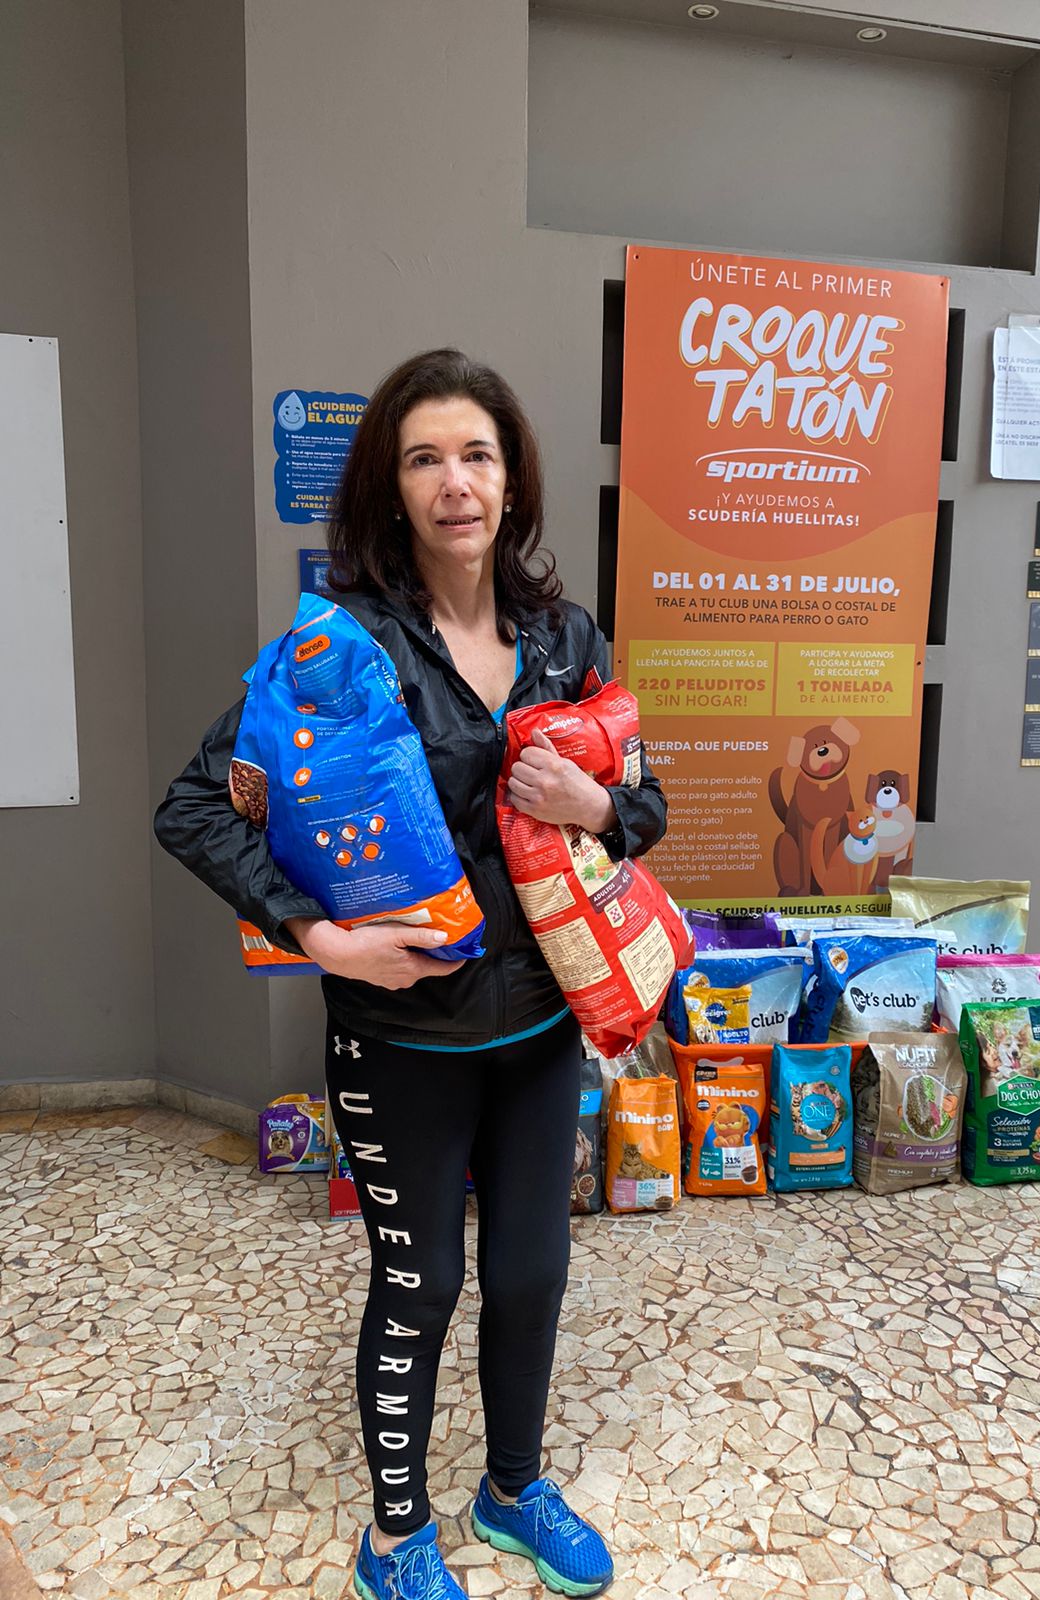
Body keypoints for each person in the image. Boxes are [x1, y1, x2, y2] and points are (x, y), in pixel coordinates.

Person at [155, 348, 667, 1600]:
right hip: (402, 1042)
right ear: (392, 487)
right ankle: (394, 1538)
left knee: (533, 1271)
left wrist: (597, 801)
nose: (456, 482)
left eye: (477, 455)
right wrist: (318, 937)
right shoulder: (338, 651)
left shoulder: (565, 638)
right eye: (425, 458)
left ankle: (513, 1488)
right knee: (420, 1281)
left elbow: (643, 808)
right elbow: (198, 807)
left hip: (539, 1028)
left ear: (512, 479)